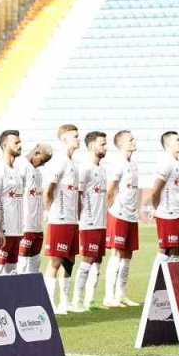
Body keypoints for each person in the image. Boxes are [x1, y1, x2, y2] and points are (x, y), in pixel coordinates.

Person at [43, 124, 82, 314]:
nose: (78, 138)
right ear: (64, 139)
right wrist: (52, 210)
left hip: (72, 221)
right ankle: (48, 302)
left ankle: (64, 302)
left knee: (70, 261)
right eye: (74, 136)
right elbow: (48, 191)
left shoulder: (74, 163)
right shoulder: (59, 161)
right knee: (55, 262)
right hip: (59, 220)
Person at [103, 130, 141, 307]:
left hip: (131, 216)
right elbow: (110, 191)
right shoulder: (117, 163)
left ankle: (121, 294)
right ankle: (109, 297)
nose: (134, 141)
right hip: (118, 215)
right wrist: (107, 212)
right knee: (116, 254)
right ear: (121, 144)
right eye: (130, 139)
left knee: (127, 256)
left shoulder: (133, 164)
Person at [72, 132, 108, 311]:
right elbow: (77, 195)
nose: (106, 147)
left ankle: (90, 299)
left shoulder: (101, 169)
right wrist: (81, 218)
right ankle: (77, 300)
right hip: (90, 222)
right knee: (87, 259)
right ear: (92, 145)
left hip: (102, 222)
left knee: (98, 260)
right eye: (102, 144)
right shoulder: (84, 168)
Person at [149, 131, 179, 268]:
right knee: (165, 250)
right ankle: (155, 284)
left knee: (177, 251)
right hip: (167, 214)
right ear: (168, 144)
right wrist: (155, 208)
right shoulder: (166, 163)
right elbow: (155, 191)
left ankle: (168, 285)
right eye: (177, 140)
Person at [16, 142, 52, 274]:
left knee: (35, 264)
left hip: (37, 226)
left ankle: (29, 294)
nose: (43, 164)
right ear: (36, 153)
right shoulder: (20, 167)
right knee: (22, 264)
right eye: (43, 160)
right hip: (25, 227)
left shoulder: (38, 172)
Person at [0, 131, 24, 275]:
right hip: (4, 231)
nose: (20, 145)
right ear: (4, 145)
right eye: (16, 143)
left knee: (12, 272)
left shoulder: (17, 171)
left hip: (15, 231)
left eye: (20, 142)